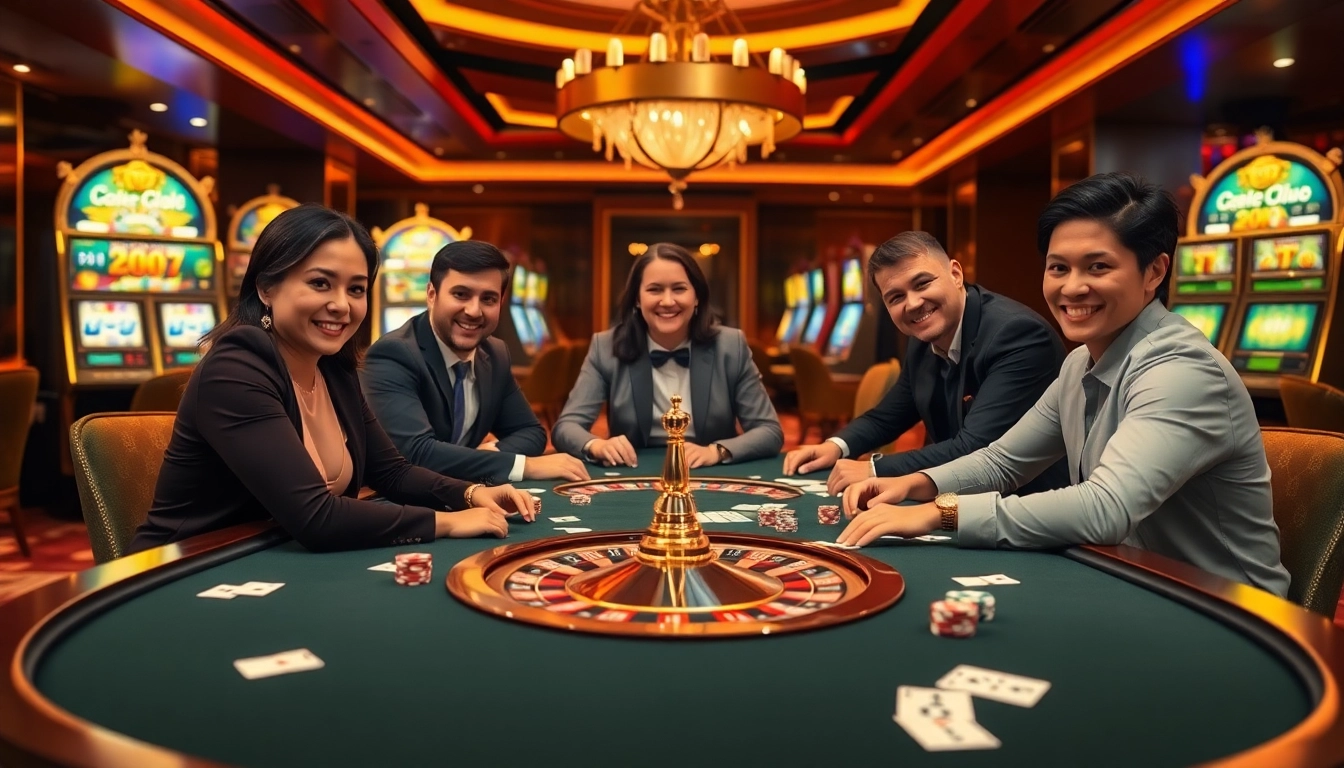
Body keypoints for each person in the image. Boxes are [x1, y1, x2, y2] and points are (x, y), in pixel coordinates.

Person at [837, 173, 1290, 597]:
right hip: (1130, 579)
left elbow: (1104, 508)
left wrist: (940, 512)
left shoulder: (1182, 371)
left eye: (1097, 267)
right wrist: (913, 484)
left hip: (1226, 611)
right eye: (1058, 268)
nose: (1072, 288)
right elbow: (1003, 462)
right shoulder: (1079, 364)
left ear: (1154, 272)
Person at [130, 204, 535, 554]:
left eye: (356, 289)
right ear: (267, 287)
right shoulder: (235, 370)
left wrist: (469, 493)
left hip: (272, 553)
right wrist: (445, 523)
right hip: (188, 569)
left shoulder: (333, 368)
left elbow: (391, 471)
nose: (341, 305)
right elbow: (316, 517)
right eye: (320, 283)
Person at [783, 231, 1070, 496]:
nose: (913, 303)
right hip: (952, 499)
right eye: (896, 297)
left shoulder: (1017, 335)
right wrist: (835, 446)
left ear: (955, 274)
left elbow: (974, 447)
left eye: (922, 284)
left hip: (1022, 510)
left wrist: (873, 468)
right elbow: (888, 416)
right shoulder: (922, 336)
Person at [361, 240, 588, 484]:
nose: (474, 310)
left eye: (488, 299)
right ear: (431, 294)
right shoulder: (395, 353)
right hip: (396, 503)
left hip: (461, 493)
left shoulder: (495, 353)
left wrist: (482, 457)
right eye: (461, 294)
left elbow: (531, 432)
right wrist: (523, 466)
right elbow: (417, 453)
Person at [552, 242, 783, 467]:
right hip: (633, 473)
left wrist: (717, 451)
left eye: (679, 288)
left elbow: (769, 431)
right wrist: (595, 445)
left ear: (697, 297)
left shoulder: (731, 346)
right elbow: (566, 426)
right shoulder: (606, 348)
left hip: (710, 473)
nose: (668, 301)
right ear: (637, 299)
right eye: (654, 289)